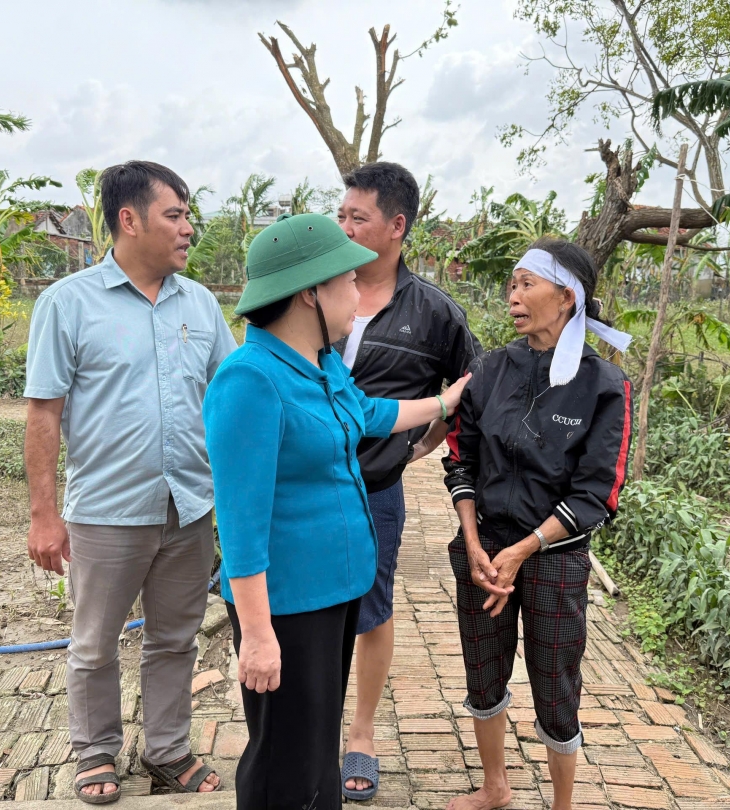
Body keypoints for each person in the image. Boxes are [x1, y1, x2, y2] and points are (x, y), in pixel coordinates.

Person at [203, 213, 470, 810]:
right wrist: (258, 636)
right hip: (287, 606)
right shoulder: (250, 380)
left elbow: (369, 415)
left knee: (317, 744)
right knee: (284, 762)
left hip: (336, 592)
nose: (358, 293)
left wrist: (443, 402)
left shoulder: (322, 364)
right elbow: (239, 524)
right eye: (348, 281)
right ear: (309, 293)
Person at [24, 161, 236, 802]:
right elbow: (44, 412)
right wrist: (43, 515)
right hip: (107, 512)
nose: (188, 228)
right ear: (130, 219)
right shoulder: (68, 303)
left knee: (175, 639)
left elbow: (230, 395)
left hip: (188, 508)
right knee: (94, 644)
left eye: (188, 215)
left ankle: (167, 751)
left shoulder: (200, 304)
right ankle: (95, 752)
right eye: (175, 215)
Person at [441, 238, 634, 810]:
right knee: (483, 669)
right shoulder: (490, 371)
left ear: (567, 297)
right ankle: (495, 786)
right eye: (512, 285)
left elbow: (598, 492)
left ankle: (562, 805)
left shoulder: (604, 386)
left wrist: (525, 548)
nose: (514, 296)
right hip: (485, 550)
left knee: (555, 682)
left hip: (554, 557)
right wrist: (474, 543)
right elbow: (461, 458)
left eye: (527, 284)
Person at [334, 162, 482, 800]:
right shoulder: (313, 289)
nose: (344, 227)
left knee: (372, 607)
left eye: (358, 217)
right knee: (300, 606)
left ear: (396, 226)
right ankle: (308, 724)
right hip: (301, 484)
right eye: (341, 215)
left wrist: (423, 444)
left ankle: (362, 734)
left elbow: (473, 388)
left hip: (375, 490)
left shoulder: (435, 314)